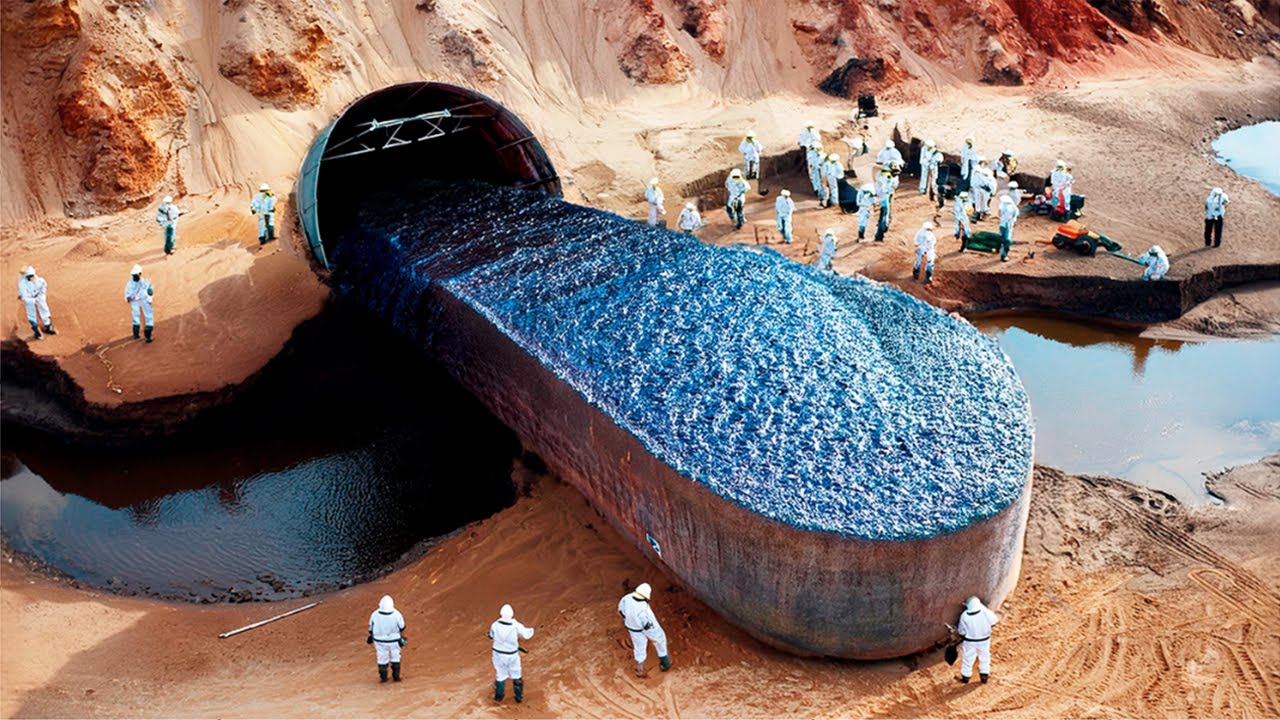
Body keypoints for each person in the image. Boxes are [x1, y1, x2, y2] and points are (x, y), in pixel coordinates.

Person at [618, 583, 670, 676]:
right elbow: (648, 624)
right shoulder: (643, 608)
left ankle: (640, 668)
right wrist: (650, 632)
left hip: (632, 628)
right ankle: (665, 662)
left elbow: (621, 610)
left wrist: (627, 618)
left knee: (639, 647)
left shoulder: (627, 598)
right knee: (660, 639)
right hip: (644, 628)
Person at [489, 603, 534, 704]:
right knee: (516, 674)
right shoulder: (515, 625)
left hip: (498, 654)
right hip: (512, 654)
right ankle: (518, 697)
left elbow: (491, 635)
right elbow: (526, 635)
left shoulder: (495, 624)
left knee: (500, 674)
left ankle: (498, 696)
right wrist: (532, 630)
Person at [956, 596, 999, 684]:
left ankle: (965, 678)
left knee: (968, 659)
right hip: (984, 641)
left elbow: (961, 631)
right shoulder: (985, 612)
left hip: (970, 642)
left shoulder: (964, 615)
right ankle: (984, 677)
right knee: (984, 657)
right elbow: (994, 620)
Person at [368, 594, 406, 683]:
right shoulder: (396, 614)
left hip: (379, 641)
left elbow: (370, 628)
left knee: (381, 657)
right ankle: (396, 676)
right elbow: (402, 626)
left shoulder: (375, 614)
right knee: (395, 656)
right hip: (394, 641)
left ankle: (383, 677)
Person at [16, 266, 56, 340]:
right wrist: (32, 301)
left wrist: (41, 297)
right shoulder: (22, 284)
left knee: (45, 311)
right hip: (30, 300)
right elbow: (24, 296)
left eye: (32, 275)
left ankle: (48, 328)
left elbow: (44, 287)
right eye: (29, 276)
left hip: (39, 298)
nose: (31, 277)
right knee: (32, 316)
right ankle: (38, 333)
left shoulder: (40, 280)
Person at [124, 264, 155, 343]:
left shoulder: (129, 284)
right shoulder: (145, 282)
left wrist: (129, 298)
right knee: (148, 317)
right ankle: (148, 337)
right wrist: (149, 300)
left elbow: (127, 296)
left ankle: (136, 334)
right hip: (143, 301)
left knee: (136, 317)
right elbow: (150, 292)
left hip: (135, 302)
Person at [873, 169, 897, 242]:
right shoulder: (889, 179)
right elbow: (890, 189)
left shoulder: (880, 176)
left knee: (883, 215)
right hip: (884, 198)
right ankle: (881, 233)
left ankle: (879, 233)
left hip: (881, 198)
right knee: (885, 215)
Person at [998, 193, 1018, 261]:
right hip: (1004, 224)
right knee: (1003, 238)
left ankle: (1004, 254)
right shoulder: (1004, 205)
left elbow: (1000, 214)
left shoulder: (1007, 207)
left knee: (1007, 239)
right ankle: (1003, 253)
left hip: (1008, 225)